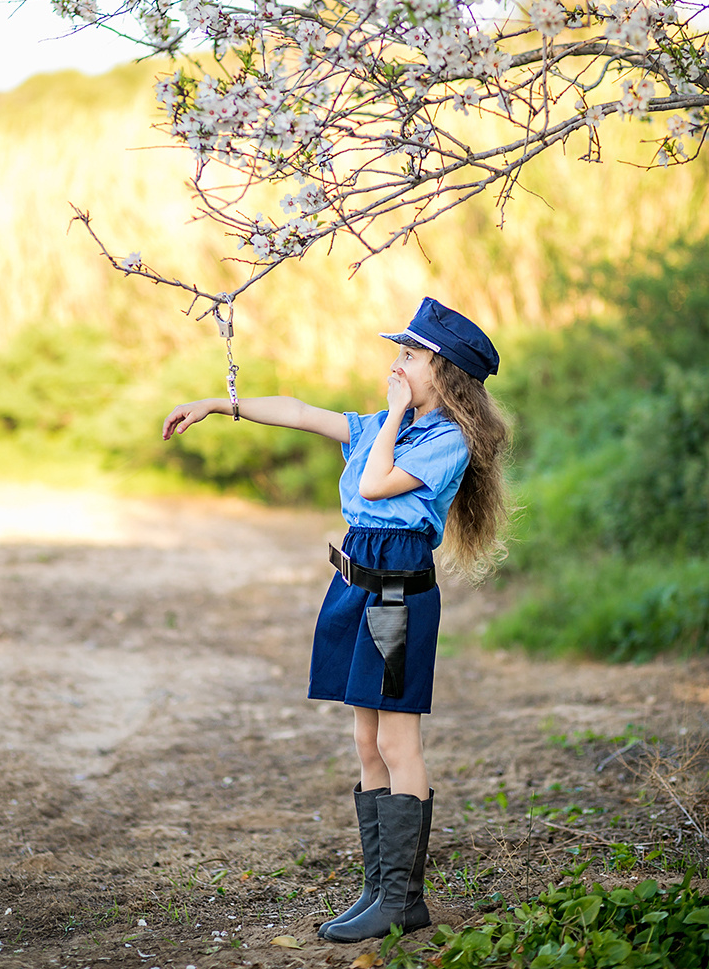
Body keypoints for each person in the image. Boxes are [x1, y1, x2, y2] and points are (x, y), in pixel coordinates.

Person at [162, 297, 508, 944]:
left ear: (445, 370)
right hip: (358, 588)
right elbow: (298, 412)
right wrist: (218, 405)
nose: (397, 366)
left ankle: (403, 900)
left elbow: (375, 485)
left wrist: (398, 412)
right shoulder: (388, 423)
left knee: (399, 744)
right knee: (365, 742)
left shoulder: (445, 440)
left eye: (410, 355)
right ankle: (380, 889)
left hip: (399, 596)